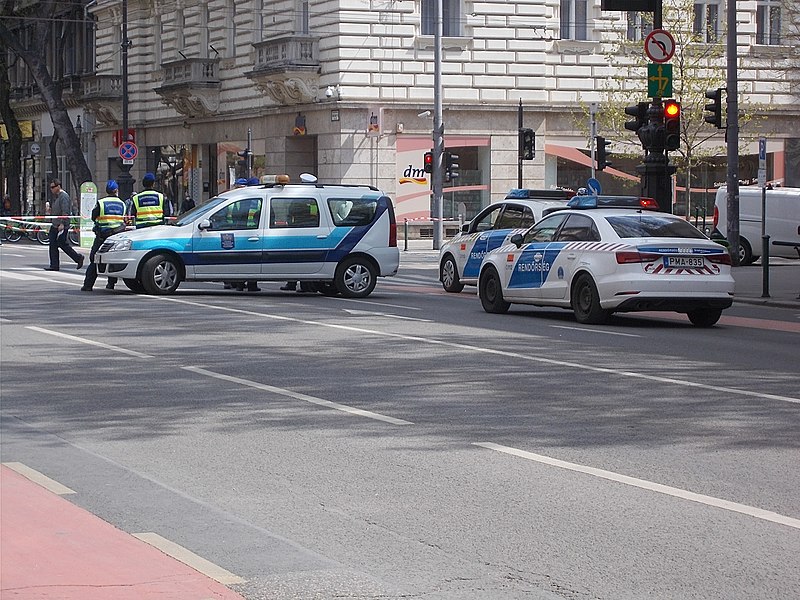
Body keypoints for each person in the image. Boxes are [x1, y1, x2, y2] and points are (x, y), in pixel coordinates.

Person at [81, 180, 127, 291]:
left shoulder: (101, 203)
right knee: (113, 259)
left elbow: (93, 216)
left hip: (102, 235)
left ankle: (88, 285)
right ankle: (111, 284)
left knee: (95, 259)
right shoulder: (122, 204)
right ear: (116, 190)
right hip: (117, 236)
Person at [45, 179, 84, 271]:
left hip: (60, 226)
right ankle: (54, 265)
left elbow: (65, 211)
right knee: (54, 245)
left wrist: (62, 223)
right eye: (51, 187)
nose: (51, 189)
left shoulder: (64, 197)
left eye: (53, 187)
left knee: (61, 244)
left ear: (58, 186)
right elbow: (58, 210)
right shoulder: (58, 197)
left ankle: (78, 258)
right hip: (55, 224)